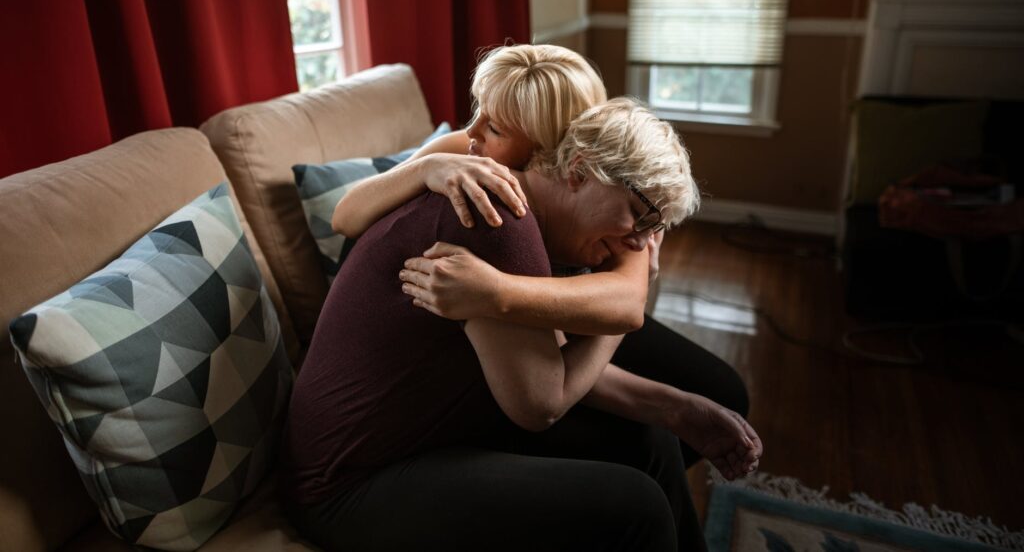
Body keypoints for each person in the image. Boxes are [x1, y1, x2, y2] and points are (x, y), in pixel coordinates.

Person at [282, 99, 762, 551]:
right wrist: (625, 304)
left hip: (442, 428)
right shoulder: (491, 217)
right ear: (578, 170)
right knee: (636, 507)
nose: (637, 245)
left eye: (650, 231)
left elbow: (543, 363)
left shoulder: (520, 216)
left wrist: (677, 409)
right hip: (351, 483)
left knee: (648, 439)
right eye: (636, 218)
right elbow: (541, 405)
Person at [333, 44, 751, 471]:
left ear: (551, 152)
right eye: (479, 113)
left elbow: (626, 306)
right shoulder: (467, 156)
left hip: (547, 312)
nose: (474, 132)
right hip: (426, 330)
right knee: (650, 440)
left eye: (495, 126)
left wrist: (497, 291)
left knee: (724, 390)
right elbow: (344, 217)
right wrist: (426, 167)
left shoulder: (614, 187)